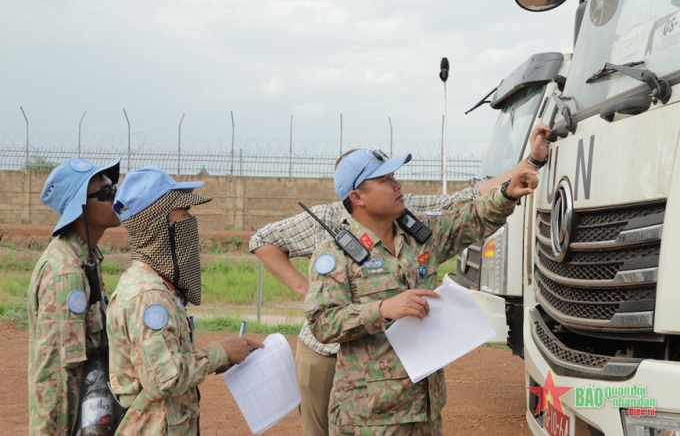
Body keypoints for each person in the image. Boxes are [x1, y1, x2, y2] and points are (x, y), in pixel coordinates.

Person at [249, 123, 550, 435]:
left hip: (423, 408)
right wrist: (382, 309)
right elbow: (323, 322)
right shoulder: (335, 254)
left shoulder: (419, 237)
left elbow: (470, 217)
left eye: (394, 176)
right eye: (385, 180)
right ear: (358, 196)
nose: (397, 184)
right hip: (369, 418)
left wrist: (507, 193)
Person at [106, 166, 263, 434]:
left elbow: (165, 360)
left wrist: (225, 357)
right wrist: (220, 351)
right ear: (158, 225)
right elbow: (165, 379)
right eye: (184, 214)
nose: (191, 222)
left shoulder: (156, 286)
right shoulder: (149, 296)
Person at [27, 157, 121, 435]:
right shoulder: (65, 273)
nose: (115, 197)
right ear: (79, 209)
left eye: (113, 188)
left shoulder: (84, 257)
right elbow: (60, 375)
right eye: (105, 194)